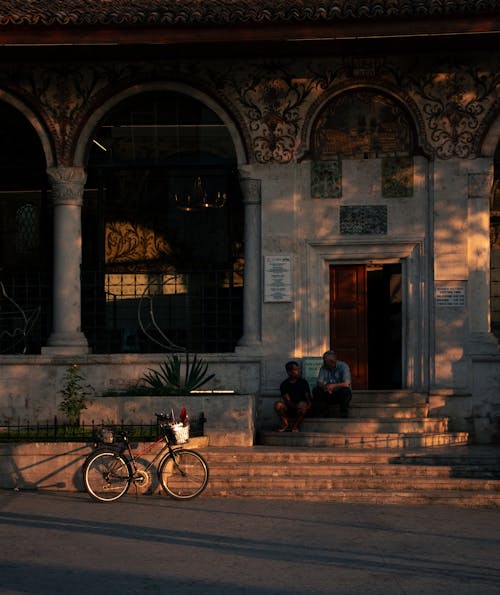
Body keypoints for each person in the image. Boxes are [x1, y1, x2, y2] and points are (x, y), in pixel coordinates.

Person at [274, 361, 312, 432]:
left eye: (298, 369)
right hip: (290, 407)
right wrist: (295, 406)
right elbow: (287, 401)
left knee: (302, 404)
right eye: (296, 370)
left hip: (302, 408)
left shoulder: (303, 382)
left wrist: (308, 404)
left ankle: (295, 426)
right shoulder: (284, 384)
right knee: (278, 404)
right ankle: (286, 424)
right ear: (289, 372)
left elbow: (307, 397)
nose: (298, 371)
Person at [313, 350, 352, 418]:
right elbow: (319, 382)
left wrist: (333, 386)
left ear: (332, 362)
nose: (323, 363)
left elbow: (347, 383)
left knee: (346, 391)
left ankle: (343, 413)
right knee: (316, 390)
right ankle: (324, 412)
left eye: (325, 361)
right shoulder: (323, 368)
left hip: (339, 394)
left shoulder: (343, 366)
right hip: (329, 393)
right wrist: (325, 387)